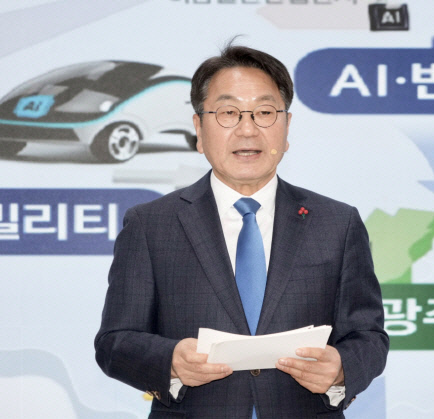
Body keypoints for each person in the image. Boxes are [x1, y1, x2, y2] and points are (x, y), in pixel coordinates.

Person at [95, 43, 388, 419]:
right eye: (228, 113)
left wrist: (342, 368)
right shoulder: (151, 225)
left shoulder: (337, 223)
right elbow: (114, 342)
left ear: (286, 127)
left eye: (265, 112)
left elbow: (368, 336)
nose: (247, 129)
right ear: (199, 128)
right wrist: (170, 360)